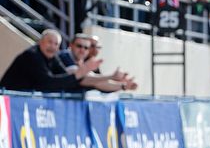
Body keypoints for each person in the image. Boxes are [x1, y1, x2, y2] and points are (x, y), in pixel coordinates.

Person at [0, 29, 134, 93]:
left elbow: (74, 81)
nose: (52, 47)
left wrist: (120, 85)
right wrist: (80, 74)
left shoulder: (54, 57)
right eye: (49, 42)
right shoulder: (32, 56)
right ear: (40, 42)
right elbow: (49, 83)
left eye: (55, 44)